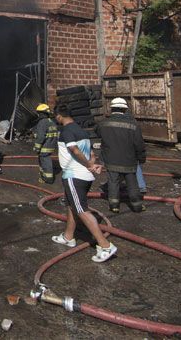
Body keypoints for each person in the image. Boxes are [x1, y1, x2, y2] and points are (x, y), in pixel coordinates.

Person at [52, 105, 117, 263]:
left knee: (81, 210)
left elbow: (74, 150)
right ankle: (68, 237)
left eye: (55, 117)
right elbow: (92, 152)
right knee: (71, 205)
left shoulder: (66, 131)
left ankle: (105, 245)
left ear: (59, 116)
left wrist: (88, 165)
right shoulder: (82, 131)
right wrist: (92, 164)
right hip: (83, 176)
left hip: (74, 176)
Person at [95, 97, 146, 213]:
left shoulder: (103, 123)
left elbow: (97, 132)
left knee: (113, 182)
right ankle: (137, 206)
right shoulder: (133, 125)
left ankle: (114, 206)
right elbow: (139, 144)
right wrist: (141, 158)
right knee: (132, 183)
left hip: (110, 159)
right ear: (124, 110)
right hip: (129, 160)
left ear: (112, 109)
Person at [33, 103, 59, 184]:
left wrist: (36, 148)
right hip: (51, 145)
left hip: (44, 146)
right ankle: (43, 175)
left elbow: (41, 137)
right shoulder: (51, 121)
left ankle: (48, 179)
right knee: (44, 160)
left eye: (38, 113)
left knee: (45, 161)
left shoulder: (42, 122)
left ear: (41, 113)